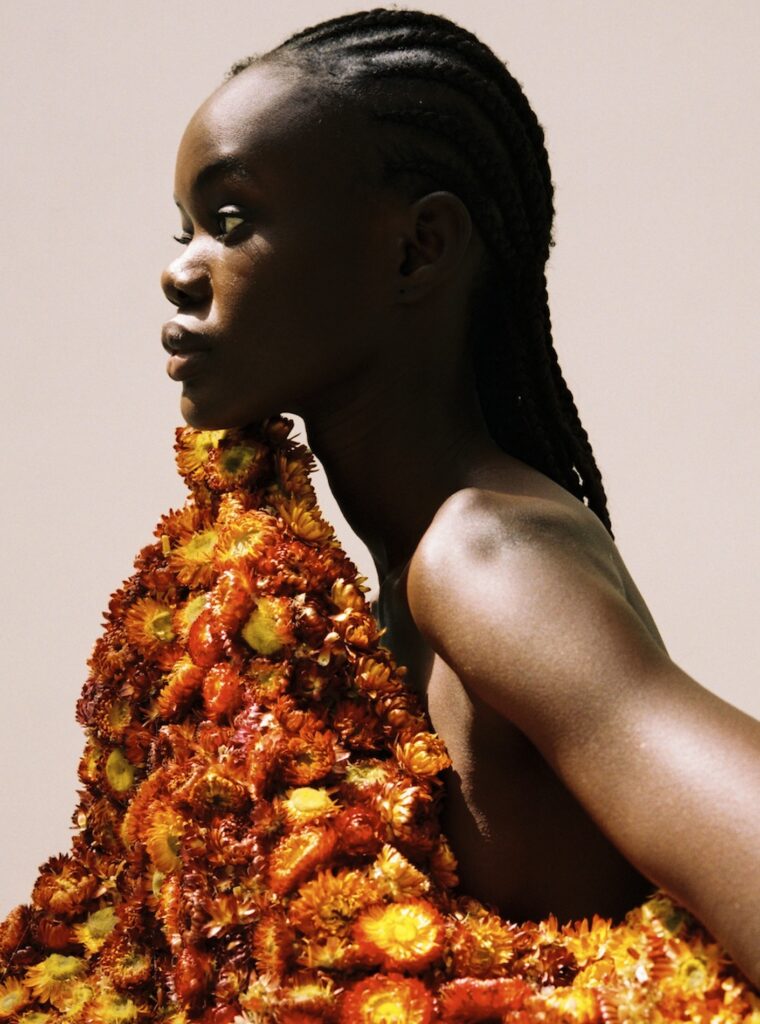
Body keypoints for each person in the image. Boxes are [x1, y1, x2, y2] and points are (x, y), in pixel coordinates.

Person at [158, 7, 760, 988]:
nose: (180, 270)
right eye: (183, 228)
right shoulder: (378, 600)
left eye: (231, 222)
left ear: (417, 249)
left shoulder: (486, 561)